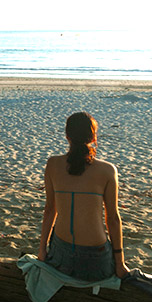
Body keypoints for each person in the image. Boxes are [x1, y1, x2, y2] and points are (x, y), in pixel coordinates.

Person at [38, 111, 129, 281]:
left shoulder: (53, 164)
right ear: (93, 137)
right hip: (95, 257)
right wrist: (120, 263)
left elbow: (50, 210)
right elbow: (113, 219)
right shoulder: (108, 170)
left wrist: (42, 250)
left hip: (61, 254)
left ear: (67, 136)